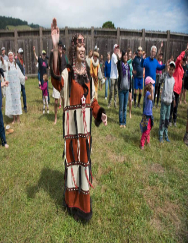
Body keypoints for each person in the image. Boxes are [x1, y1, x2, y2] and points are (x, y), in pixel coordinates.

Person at [50, 18, 107, 222]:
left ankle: (83, 208)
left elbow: (93, 102)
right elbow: (56, 79)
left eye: (84, 45)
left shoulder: (89, 77)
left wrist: (100, 114)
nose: (83, 48)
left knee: (84, 165)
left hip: (85, 134)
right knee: (72, 165)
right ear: (74, 50)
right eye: (79, 45)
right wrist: (56, 45)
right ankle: (70, 203)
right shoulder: (68, 73)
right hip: (71, 133)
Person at [0, 51, 27, 124]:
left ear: (13, 56)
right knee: (12, 102)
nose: (11, 57)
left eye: (11, 56)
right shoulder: (7, 64)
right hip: (10, 88)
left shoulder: (15, 64)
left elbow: (20, 73)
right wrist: (2, 60)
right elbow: (2, 65)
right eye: (9, 56)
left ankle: (18, 118)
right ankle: (14, 119)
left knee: (17, 101)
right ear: (8, 57)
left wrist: (24, 77)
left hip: (16, 87)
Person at [169, 43, 188, 127]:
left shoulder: (182, 70)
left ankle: (174, 120)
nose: (183, 61)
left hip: (178, 90)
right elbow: (178, 58)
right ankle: (169, 120)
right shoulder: (177, 66)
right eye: (182, 60)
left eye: (184, 60)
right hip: (173, 89)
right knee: (172, 105)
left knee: (176, 106)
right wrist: (185, 50)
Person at [159, 61, 176, 143]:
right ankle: (161, 135)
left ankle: (166, 135)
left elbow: (172, 91)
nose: (171, 71)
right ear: (168, 69)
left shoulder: (173, 80)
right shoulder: (165, 76)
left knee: (167, 120)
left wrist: (174, 99)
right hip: (164, 102)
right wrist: (166, 69)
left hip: (169, 103)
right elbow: (160, 80)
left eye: (173, 70)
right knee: (162, 119)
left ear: (174, 70)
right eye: (170, 69)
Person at [140, 77, 155, 150]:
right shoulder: (147, 93)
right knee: (146, 129)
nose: (152, 85)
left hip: (149, 114)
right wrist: (152, 90)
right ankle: (142, 143)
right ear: (148, 85)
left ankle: (147, 141)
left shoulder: (148, 93)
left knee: (149, 128)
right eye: (151, 84)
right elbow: (151, 98)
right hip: (147, 114)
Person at [117, 51, 131, 127]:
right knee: (121, 107)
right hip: (121, 89)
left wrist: (130, 89)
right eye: (124, 55)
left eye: (126, 55)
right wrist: (119, 58)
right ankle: (120, 122)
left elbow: (130, 78)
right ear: (122, 57)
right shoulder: (120, 65)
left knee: (125, 107)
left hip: (127, 89)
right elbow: (118, 66)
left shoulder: (128, 66)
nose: (125, 56)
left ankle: (124, 122)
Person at [16, 48, 28, 112]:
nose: (21, 55)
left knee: (23, 93)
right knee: (19, 94)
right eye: (20, 53)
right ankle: (19, 107)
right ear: (18, 53)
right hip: (18, 79)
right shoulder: (17, 61)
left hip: (22, 79)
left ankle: (25, 107)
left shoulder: (21, 60)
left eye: (22, 53)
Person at [108, 44, 120, 108]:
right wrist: (119, 57)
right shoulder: (113, 56)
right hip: (112, 76)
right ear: (114, 49)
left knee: (116, 91)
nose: (117, 49)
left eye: (117, 48)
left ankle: (115, 104)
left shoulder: (116, 56)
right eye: (116, 48)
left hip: (116, 76)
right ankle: (109, 103)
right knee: (111, 92)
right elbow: (117, 63)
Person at [154, 42, 164, 108]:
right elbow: (157, 54)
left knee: (159, 89)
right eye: (160, 55)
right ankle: (154, 103)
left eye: (161, 55)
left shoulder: (161, 62)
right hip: (156, 76)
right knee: (156, 89)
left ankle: (157, 103)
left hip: (160, 76)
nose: (160, 56)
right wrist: (160, 47)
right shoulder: (157, 61)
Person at [127, 48, 134, 118]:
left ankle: (130, 113)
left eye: (130, 53)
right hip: (126, 81)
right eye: (129, 53)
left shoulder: (131, 62)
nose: (130, 54)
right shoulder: (127, 61)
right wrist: (131, 59)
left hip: (130, 81)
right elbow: (127, 63)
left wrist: (132, 74)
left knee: (130, 98)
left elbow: (131, 69)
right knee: (125, 98)